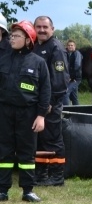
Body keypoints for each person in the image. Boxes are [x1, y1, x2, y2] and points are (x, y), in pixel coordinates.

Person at [0, 21, 51, 202]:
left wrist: (41, 116)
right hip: (4, 112)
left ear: (28, 40)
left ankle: (28, 190)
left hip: (28, 114)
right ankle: (2, 190)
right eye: (11, 35)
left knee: (26, 152)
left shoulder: (39, 63)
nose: (11, 39)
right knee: (3, 152)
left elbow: (45, 92)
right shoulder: (3, 58)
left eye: (16, 36)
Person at [32, 16, 69, 186]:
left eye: (45, 27)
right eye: (38, 27)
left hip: (51, 103)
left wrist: (50, 103)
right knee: (40, 138)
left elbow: (60, 80)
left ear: (52, 29)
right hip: (37, 102)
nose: (41, 30)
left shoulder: (56, 48)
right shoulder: (35, 46)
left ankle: (57, 175)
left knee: (53, 137)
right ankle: (40, 175)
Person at [63, 40, 82, 106]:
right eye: (69, 45)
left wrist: (71, 77)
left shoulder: (77, 53)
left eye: (72, 45)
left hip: (75, 78)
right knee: (74, 97)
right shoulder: (67, 54)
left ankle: (67, 111)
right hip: (70, 78)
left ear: (75, 46)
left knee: (65, 93)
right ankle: (77, 112)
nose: (70, 47)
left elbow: (77, 65)